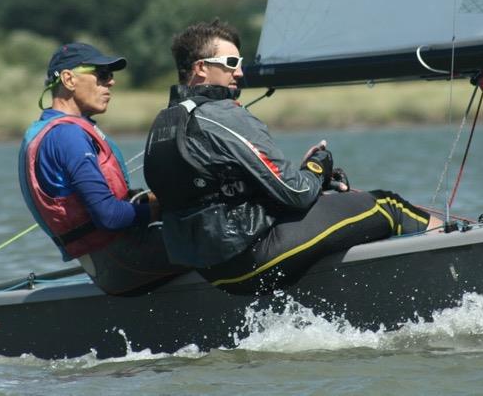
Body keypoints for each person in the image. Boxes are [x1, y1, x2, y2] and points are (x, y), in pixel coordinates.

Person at [144, 20, 442, 294]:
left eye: (240, 63)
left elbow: (217, 194)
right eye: (231, 63)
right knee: (388, 204)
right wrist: (316, 168)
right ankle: (449, 267)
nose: (240, 72)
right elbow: (296, 193)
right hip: (252, 258)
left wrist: (308, 178)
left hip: (212, 271)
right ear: (201, 69)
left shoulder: (163, 124)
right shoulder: (223, 115)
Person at [19, 42, 186, 295]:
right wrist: (161, 207)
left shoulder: (52, 130)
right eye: (102, 75)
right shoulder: (67, 136)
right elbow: (109, 216)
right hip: (123, 263)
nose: (111, 83)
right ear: (69, 79)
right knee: (227, 233)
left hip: (111, 262)